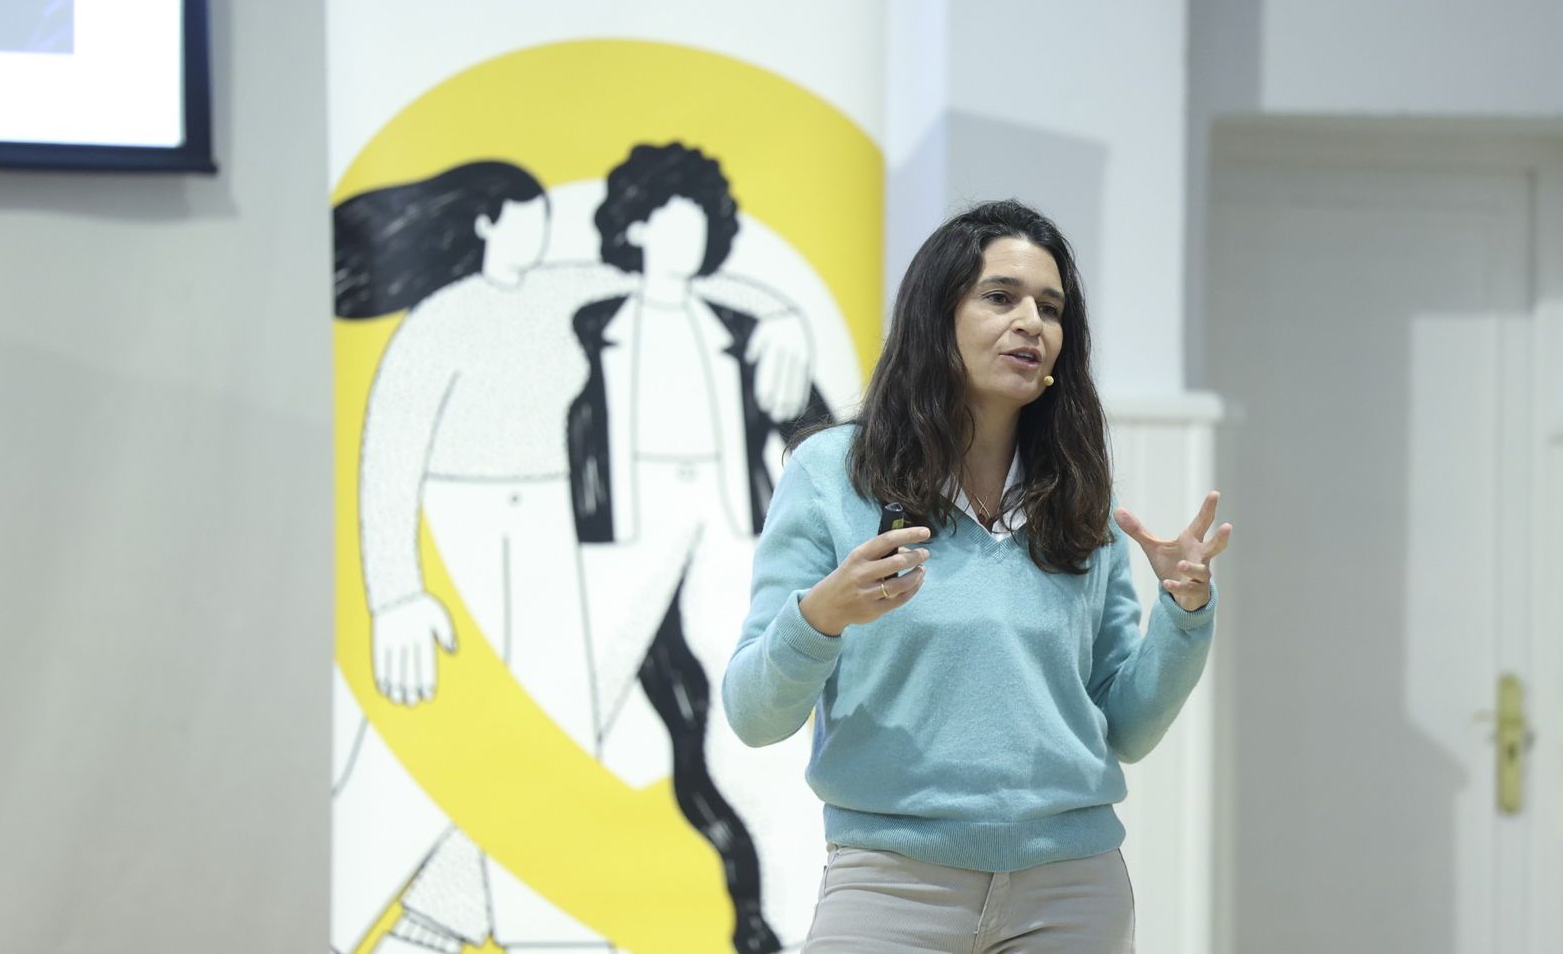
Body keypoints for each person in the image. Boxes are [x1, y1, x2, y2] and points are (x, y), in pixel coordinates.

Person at [329, 158, 814, 954]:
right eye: (527, 213)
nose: (545, 230)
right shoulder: (483, 317)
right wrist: (394, 594)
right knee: (541, 739)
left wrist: (786, 318)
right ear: (487, 222)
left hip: (682, 543)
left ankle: (788, 929)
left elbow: (720, 299)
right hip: (555, 546)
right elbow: (389, 449)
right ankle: (437, 925)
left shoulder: (608, 299)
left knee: (730, 742)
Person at [722, 199, 1233, 953]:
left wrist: (1185, 613)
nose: (1031, 321)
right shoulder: (832, 474)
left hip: (1073, 891)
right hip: (890, 884)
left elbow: (1124, 727)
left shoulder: (1083, 496)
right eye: (1001, 296)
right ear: (938, 317)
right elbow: (752, 713)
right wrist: (822, 613)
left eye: (1050, 308)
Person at [569, 141, 835, 950]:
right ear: (636, 226)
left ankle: (764, 919)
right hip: (622, 556)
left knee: (733, 741)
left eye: (697, 222)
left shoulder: (746, 333)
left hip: (726, 547)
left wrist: (783, 324)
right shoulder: (588, 327)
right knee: (620, 733)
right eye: (666, 219)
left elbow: (824, 442)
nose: (683, 237)